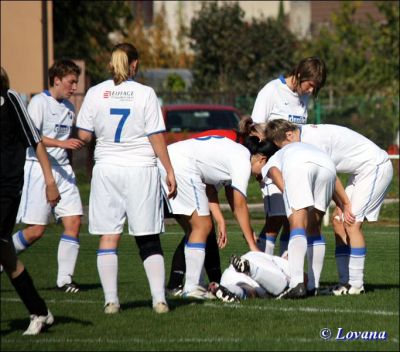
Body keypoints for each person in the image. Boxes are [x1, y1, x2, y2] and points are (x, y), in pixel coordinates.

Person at [76, 43, 177, 314]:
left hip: (106, 170)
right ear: (134, 64)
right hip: (139, 170)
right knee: (148, 236)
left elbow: (83, 136)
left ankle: (111, 301)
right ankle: (159, 300)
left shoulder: (95, 93)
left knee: (109, 236)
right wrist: (169, 170)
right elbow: (156, 135)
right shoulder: (145, 93)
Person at [265, 119, 394, 295]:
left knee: (351, 222)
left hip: (375, 167)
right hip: (360, 173)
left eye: (284, 146)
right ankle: (344, 283)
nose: (284, 150)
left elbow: (329, 172)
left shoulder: (313, 140)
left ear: (289, 134)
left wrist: (345, 203)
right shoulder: (303, 136)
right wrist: (342, 203)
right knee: (338, 221)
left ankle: (356, 285)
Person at [158, 135, 275, 299]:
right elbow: (240, 204)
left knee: (195, 230)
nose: (261, 177)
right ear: (262, 159)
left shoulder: (235, 154)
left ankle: (195, 284)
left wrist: (220, 220)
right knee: (202, 227)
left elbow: (213, 191)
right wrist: (252, 244)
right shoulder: (243, 162)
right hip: (181, 164)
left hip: (171, 161)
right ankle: (191, 288)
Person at [12, 60, 84, 293]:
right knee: (35, 231)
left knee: (73, 222)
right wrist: (62, 143)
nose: (74, 87)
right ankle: (4, 257)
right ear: (56, 79)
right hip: (39, 169)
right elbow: (33, 138)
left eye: (76, 82)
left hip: (63, 170)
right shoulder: (38, 103)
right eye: (71, 82)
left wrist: (67, 153)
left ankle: (65, 280)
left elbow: (66, 145)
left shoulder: (70, 108)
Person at [0, 66, 60, 335]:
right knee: (7, 257)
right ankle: (39, 311)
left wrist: (50, 182)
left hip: (7, 187)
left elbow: (35, 141)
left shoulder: (10, 98)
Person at [250, 57, 327, 256]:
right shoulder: (271, 91)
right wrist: (258, 166)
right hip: (272, 166)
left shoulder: (304, 97)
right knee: (275, 219)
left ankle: (284, 273)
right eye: (310, 85)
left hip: (295, 169)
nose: (311, 91)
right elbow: (255, 131)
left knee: (290, 219)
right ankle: (259, 266)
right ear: (300, 75)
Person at [247, 136, 336, 298]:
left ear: (261, 159)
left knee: (297, 224)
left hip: (302, 166)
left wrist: (289, 195)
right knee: (313, 229)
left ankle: (296, 284)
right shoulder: (289, 152)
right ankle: (312, 286)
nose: (253, 175)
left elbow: (273, 172)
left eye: (251, 166)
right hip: (328, 166)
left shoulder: (271, 162)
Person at [209, 251, 291, 301]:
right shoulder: (285, 264)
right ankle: (251, 269)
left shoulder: (264, 256)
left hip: (230, 275)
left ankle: (221, 289)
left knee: (250, 292)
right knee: (283, 288)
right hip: (255, 268)